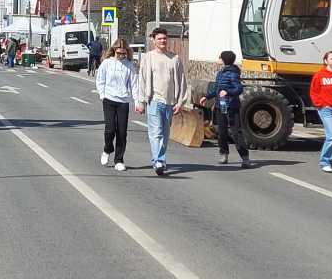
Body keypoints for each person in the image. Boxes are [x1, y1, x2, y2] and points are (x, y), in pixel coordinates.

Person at [133, 26, 190, 176]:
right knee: (155, 132)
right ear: (154, 41)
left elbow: (181, 81)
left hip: (170, 102)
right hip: (154, 100)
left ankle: (160, 160)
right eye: (159, 38)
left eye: (164, 38)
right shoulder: (148, 57)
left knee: (165, 133)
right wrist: (141, 101)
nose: (162, 41)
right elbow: (143, 80)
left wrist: (180, 102)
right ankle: (158, 160)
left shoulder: (174, 59)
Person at [200, 49, 252, 168]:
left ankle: (245, 158)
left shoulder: (233, 73)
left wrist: (227, 92)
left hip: (232, 107)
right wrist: (206, 97)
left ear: (224, 60)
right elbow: (217, 89)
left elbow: (239, 89)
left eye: (220, 57)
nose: (218, 59)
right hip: (220, 106)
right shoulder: (220, 73)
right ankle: (224, 154)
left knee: (236, 132)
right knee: (221, 132)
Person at [95, 40, 137, 170]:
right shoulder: (107, 63)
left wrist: (137, 101)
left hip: (123, 101)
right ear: (114, 51)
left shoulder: (129, 65)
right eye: (119, 53)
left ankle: (119, 160)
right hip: (109, 99)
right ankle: (107, 149)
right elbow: (100, 80)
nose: (121, 56)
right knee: (110, 129)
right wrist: (102, 95)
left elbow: (134, 84)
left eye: (124, 53)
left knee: (122, 132)